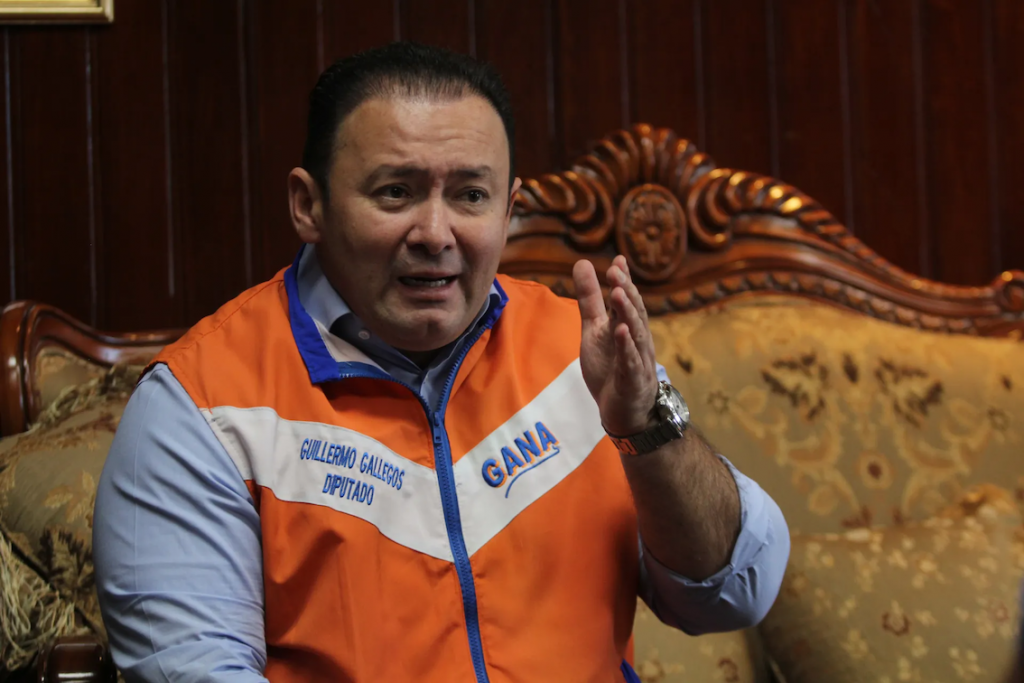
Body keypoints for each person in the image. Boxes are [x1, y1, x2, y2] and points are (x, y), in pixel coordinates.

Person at [93, 42, 789, 682]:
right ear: (309, 206)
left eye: (470, 196)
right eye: (395, 192)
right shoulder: (201, 405)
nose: (435, 233)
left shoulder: (580, 352)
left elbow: (734, 591)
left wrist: (645, 427)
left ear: (508, 211)